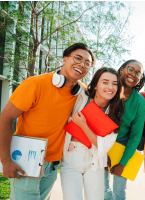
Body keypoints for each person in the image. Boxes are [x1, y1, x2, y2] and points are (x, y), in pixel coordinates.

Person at [0, 43, 95, 200]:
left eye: (87, 64)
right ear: (65, 59)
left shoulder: (81, 93)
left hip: (52, 165)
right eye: (77, 59)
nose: (82, 65)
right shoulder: (35, 84)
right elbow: (5, 118)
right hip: (26, 161)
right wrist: (5, 161)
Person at [60, 67, 125, 200]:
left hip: (95, 160)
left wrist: (83, 124)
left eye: (115, 84)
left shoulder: (115, 110)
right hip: (71, 157)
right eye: (105, 82)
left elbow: (103, 147)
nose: (110, 87)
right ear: (95, 85)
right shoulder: (80, 97)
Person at [104, 59, 145, 200]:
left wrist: (122, 164)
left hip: (123, 145)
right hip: (101, 142)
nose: (134, 75)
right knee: (102, 189)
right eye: (131, 70)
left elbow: (135, 136)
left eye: (138, 73)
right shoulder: (109, 90)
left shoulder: (139, 101)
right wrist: (102, 152)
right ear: (122, 69)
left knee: (120, 192)